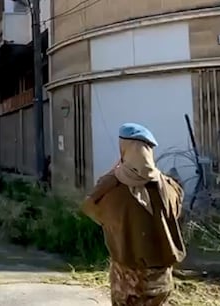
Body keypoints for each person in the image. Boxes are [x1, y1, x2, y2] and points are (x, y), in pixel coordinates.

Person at [82, 123, 187, 306]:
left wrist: (113, 173)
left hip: (128, 278)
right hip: (161, 278)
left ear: (123, 149)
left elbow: (90, 207)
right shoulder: (171, 187)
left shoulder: (112, 188)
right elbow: (175, 214)